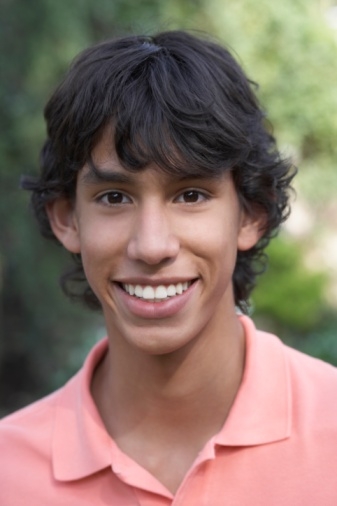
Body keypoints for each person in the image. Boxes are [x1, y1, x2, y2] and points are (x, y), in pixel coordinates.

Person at [1, 30, 337, 505]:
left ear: (251, 213)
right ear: (66, 218)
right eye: (114, 197)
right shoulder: (8, 473)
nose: (152, 245)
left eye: (191, 195)